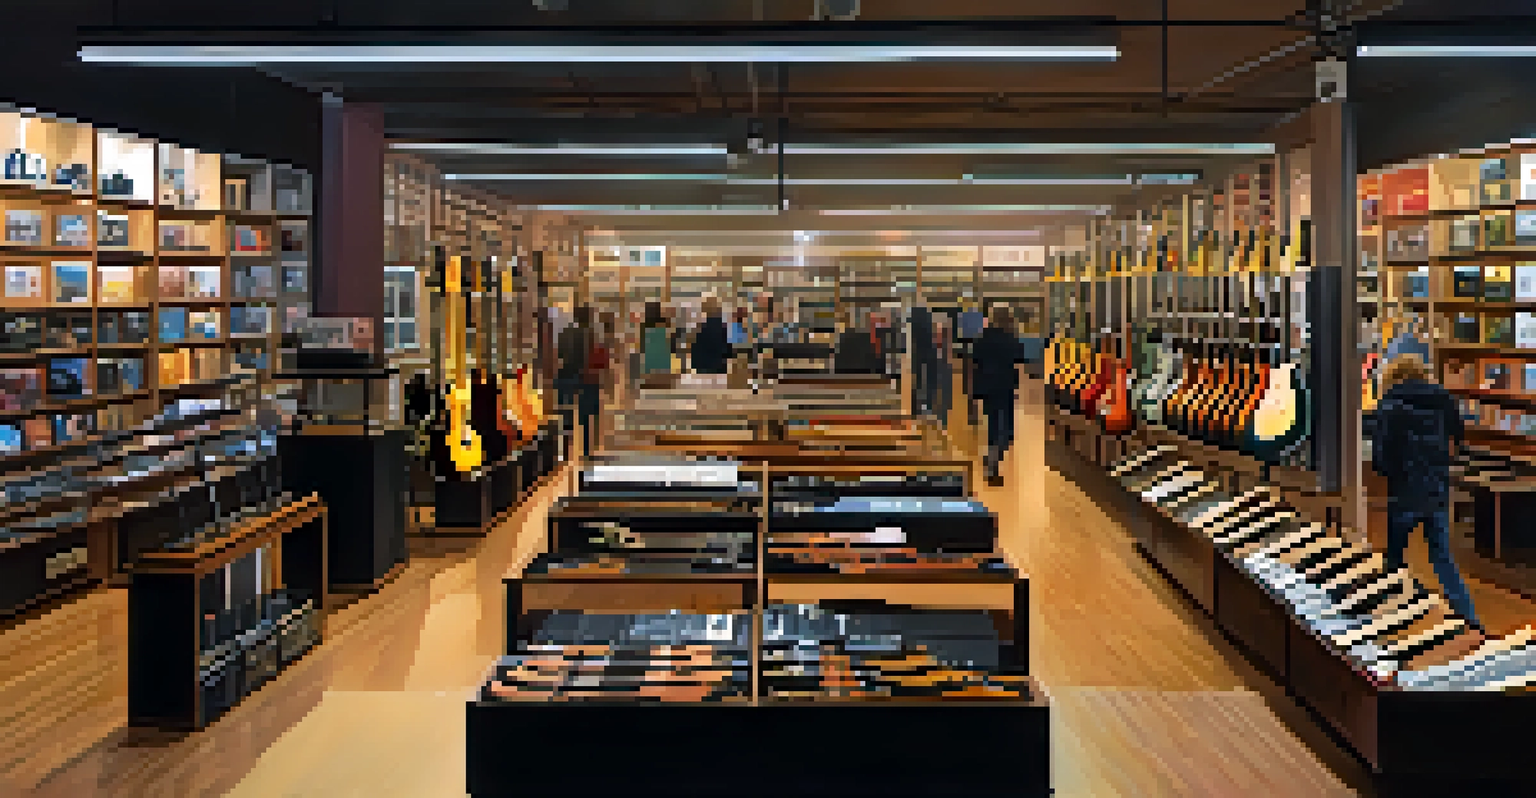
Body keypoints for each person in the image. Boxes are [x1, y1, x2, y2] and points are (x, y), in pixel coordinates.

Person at [1372, 354, 1482, 630]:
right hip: (1436, 488)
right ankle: (1470, 619)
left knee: (1396, 558)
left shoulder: (1389, 406)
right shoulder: (1444, 400)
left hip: (1404, 491)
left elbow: (1381, 457)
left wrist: (1391, 473)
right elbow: (1459, 438)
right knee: (1442, 556)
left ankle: (1390, 617)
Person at [971, 306, 1025, 484]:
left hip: (987, 386)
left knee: (993, 422)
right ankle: (995, 457)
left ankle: (992, 454)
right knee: (1006, 425)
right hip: (1005, 385)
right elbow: (1019, 357)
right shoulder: (1011, 338)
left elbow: (975, 358)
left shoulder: (983, 337)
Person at [556, 306, 602, 456]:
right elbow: (593, 358)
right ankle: (587, 449)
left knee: (565, 416)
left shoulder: (565, 332)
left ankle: (565, 451)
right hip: (586, 378)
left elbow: (560, 354)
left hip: (566, 376)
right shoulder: (591, 335)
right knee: (587, 415)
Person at [909, 306, 939, 417]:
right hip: (929, 352)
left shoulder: (912, 320)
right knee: (930, 380)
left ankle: (915, 407)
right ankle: (928, 405)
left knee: (916, 379)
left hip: (915, 352)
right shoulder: (928, 318)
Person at [691, 296, 731, 374]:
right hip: (719, 366)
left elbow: (696, 348)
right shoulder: (724, 327)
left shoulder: (702, 327)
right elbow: (727, 348)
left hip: (704, 366)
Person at [640, 301, 672, 377]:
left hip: (649, 358)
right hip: (663, 357)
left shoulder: (643, 326)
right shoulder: (665, 323)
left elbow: (642, 345)